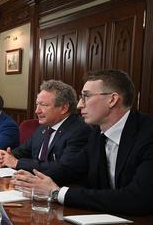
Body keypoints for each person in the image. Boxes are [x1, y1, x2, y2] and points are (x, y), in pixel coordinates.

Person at [12, 70, 153, 216]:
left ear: (112, 99)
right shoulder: (97, 135)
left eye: (86, 96)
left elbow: (137, 198)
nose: (79, 105)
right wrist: (30, 180)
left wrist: (57, 193)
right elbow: (69, 168)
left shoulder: (147, 135)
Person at [0, 80, 90, 172]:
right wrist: (6, 156)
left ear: (63, 108)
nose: (37, 111)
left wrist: (17, 163)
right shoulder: (44, 127)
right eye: (37, 104)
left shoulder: (80, 130)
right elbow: (23, 150)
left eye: (43, 105)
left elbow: (64, 169)